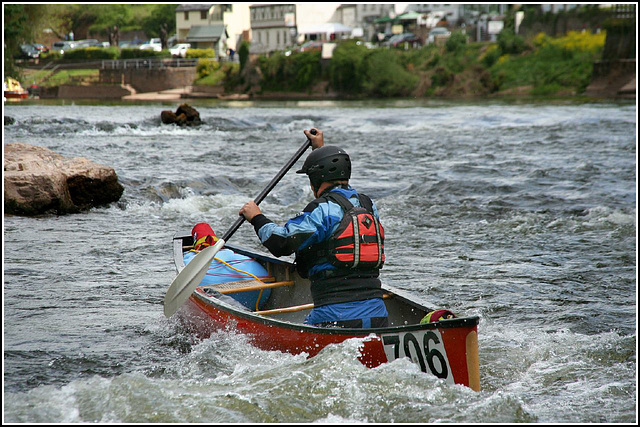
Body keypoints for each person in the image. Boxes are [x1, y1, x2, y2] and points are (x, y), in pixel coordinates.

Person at [239, 128, 388, 328]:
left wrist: (256, 217)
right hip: (379, 315)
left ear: (315, 180)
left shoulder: (321, 210)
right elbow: (342, 207)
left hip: (333, 316)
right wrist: (320, 150)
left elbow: (281, 243)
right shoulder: (368, 205)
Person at [185, 222, 272, 310]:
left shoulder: (190, 258)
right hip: (264, 292)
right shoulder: (230, 253)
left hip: (223, 295)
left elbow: (183, 270)